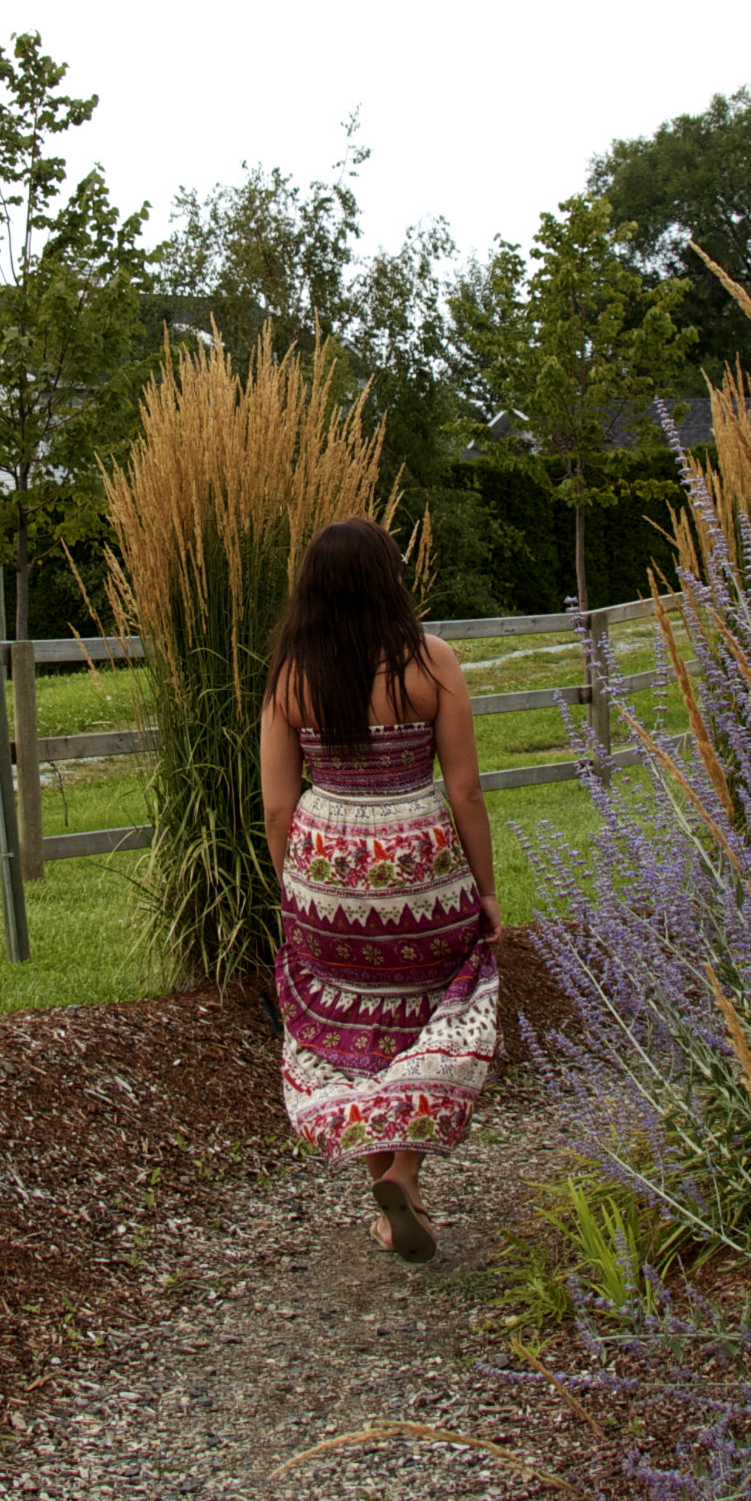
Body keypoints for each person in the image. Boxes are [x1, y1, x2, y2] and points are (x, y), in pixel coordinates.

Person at [260, 514, 502, 1262]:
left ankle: (387, 1180)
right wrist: (485, 890)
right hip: (419, 869)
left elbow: (274, 802)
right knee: (441, 1005)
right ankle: (406, 1171)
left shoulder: (291, 674)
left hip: (326, 871)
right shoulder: (430, 661)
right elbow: (464, 789)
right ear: (389, 577)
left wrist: (293, 888)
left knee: (344, 1022)